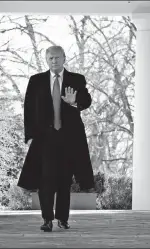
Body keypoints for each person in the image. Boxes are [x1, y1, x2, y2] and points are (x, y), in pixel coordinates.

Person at [17, 45, 95, 232]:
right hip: (45, 139)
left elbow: (87, 101)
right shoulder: (36, 81)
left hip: (69, 139)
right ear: (47, 60)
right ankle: (47, 219)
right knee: (46, 180)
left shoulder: (77, 79)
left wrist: (74, 102)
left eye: (57, 57)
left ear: (64, 58)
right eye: (51, 58)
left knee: (64, 180)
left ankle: (62, 218)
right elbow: (28, 108)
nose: (54, 61)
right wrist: (29, 135)